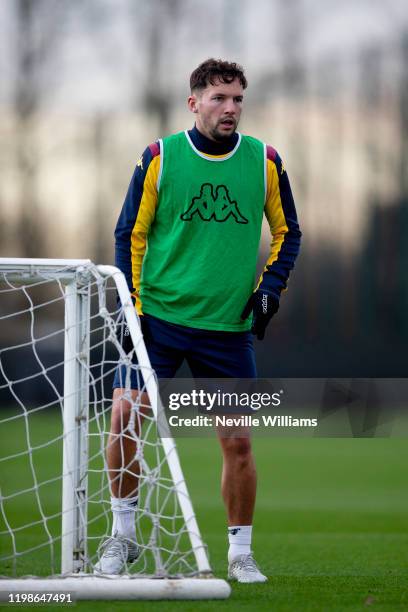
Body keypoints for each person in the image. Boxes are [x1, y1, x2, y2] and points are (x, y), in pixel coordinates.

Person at [95, 58, 301, 582]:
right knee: (124, 421)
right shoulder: (160, 157)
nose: (230, 108)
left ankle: (240, 553)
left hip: (226, 330)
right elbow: (129, 235)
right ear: (194, 103)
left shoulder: (265, 162)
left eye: (237, 99)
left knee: (238, 442)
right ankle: (123, 536)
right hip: (158, 321)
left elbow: (288, 234)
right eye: (219, 98)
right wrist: (131, 306)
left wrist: (269, 291)